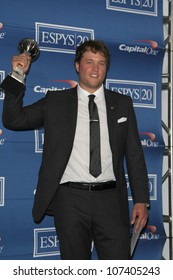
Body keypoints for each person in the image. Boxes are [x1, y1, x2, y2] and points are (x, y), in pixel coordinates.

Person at [1, 40, 150, 260]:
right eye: (89, 61)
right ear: (77, 66)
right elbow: (14, 120)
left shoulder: (122, 103)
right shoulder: (56, 102)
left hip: (111, 201)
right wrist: (17, 76)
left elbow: (135, 154)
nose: (96, 68)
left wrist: (141, 199)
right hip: (69, 201)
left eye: (101, 63)